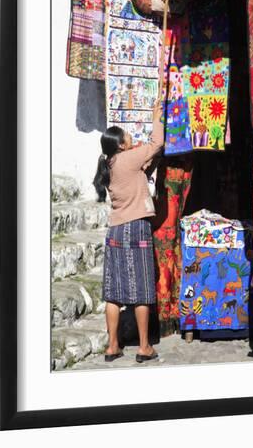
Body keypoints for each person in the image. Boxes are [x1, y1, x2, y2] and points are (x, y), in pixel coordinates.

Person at [93, 100, 164, 363]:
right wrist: (156, 116)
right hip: (136, 228)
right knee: (142, 289)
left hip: (116, 229)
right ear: (121, 144)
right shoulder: (128, 158)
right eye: (126, 134)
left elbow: (141, 171)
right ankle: (144, 347)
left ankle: (113, 346)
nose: (129, 135)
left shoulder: (111, 163)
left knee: (114, 292)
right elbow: (157, 143)